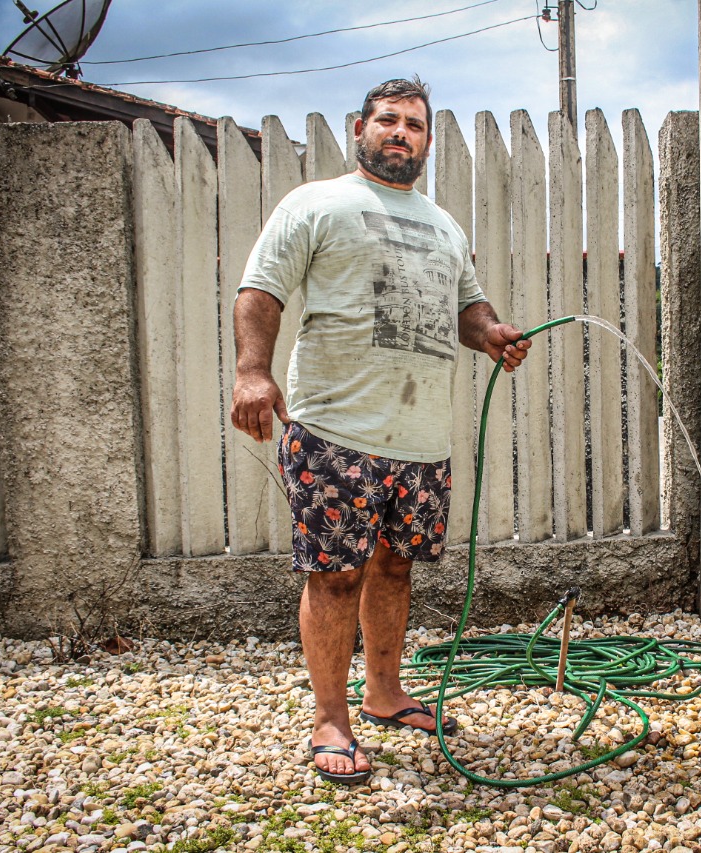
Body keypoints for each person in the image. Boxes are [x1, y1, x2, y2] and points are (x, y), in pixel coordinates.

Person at [229, 77, 531, 785]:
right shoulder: (315, 204)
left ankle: (385, 693)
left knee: (395, 566)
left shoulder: (445, 225)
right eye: (388, 120)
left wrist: (492, 334)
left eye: (415, 125)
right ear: (359, 128)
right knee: (335, 575)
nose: (401, 132)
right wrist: (252, 371)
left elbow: (469, 308)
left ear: (428, 141)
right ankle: (330, 718)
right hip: (335, 428)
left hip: (420, 438)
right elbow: (261, 290)